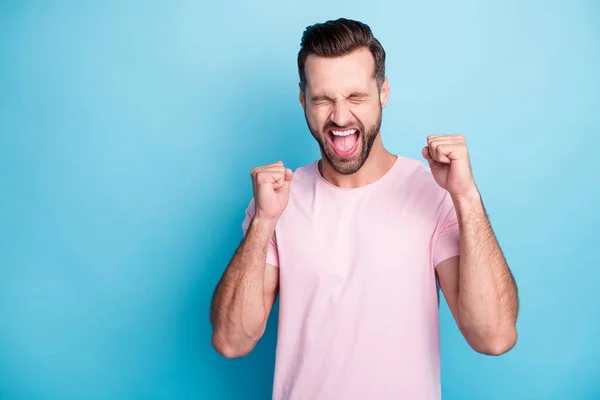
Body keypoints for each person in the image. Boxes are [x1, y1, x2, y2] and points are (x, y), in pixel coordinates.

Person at [210, 17, 519, 400]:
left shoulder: (434, 194)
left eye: (356, 97)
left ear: (383, 92)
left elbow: (494, 336)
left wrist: (467, 196)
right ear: (303, 99)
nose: (340, 117)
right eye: (323, 99)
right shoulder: (277, 201)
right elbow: (231, 341)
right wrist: (263, 222)